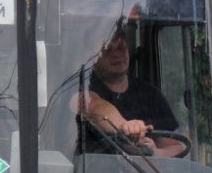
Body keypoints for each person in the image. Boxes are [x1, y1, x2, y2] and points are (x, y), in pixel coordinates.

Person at [74, 26, 185, 158]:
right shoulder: (82, 88)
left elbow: (176, 148)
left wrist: (152, 152)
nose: (116, 54)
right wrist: (125, 127)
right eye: (107, 49)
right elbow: (94, 105)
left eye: (121, 48)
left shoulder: (151, 95)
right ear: (93, 57)